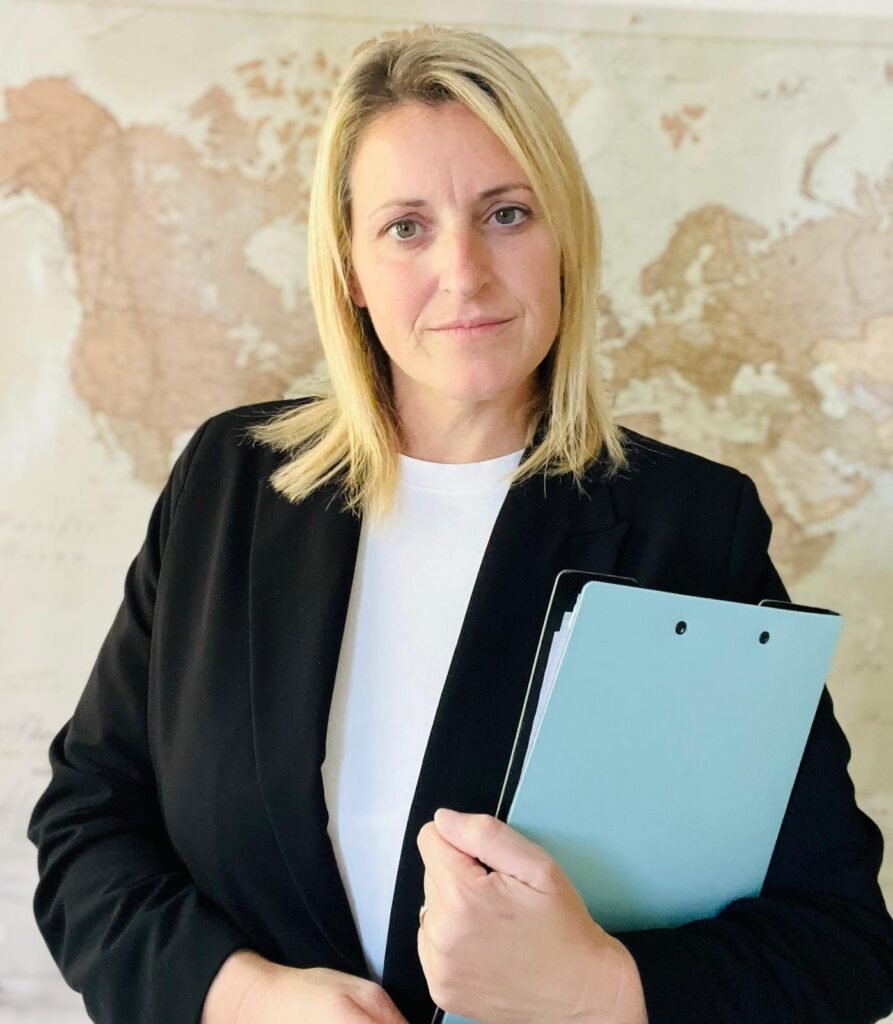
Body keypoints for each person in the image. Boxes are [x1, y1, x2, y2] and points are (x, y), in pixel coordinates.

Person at [27, 24, 893, 1024]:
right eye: (405, 227)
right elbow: (88, 825)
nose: (464, 271)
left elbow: (839, 939)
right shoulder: (228, 485)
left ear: (563, 240)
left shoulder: (690, 529)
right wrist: (244, 997)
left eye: (506, 214)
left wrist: (600, 989)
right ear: (349, 268)